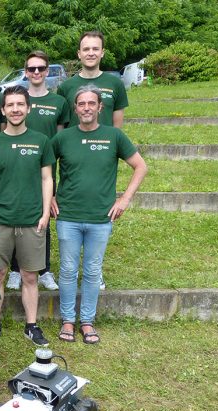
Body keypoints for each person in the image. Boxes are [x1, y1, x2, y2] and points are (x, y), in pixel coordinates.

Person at [51, 85, 147, 345]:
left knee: (93, 271)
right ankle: (68, 320)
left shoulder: (114, 136)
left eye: (91, 103)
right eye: (81, 104)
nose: (86, 108)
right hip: (68, 216)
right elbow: (45, 168)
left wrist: (125, 199)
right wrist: (49, 196)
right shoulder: (63, 138)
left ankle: (88, 321)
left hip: (100, 218)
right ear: (75, 107)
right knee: (69, 270)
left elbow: (140, 166)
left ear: (100, 107)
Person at [0, 86, 54, 347]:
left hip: (32, 219)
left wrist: (45, 213)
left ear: (28, 108)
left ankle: (31, 326)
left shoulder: (41, 141)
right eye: (10, 105)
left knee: (30, 276)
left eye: (20, 104)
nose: (15, 109)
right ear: (3, 109)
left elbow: (47, 177)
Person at [20, 49, 71, 293]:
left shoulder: (58, 102)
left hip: (46, 170)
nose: (37, 72)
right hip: (18, 170)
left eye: (41, 68)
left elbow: (60, 141)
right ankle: (14, 269)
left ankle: (44, 270)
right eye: (32, 68)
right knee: (15, 219)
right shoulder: (17, 99)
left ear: (48, 71)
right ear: (26, 71)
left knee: (43, 219)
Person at [57, 31, 128, 129]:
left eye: (95, 49)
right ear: (79, 54)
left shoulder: (116, 84)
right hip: (74, 144)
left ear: (102, 52)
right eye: (86, 49)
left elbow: (117, 129)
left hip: (105, 143)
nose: (91, 53)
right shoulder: (65, 87)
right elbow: (61, 128)